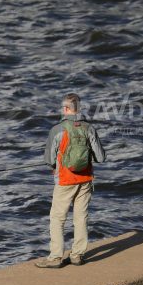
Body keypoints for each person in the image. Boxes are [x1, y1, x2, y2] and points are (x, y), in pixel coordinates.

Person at [35, 93, 106, 268]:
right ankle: (77, 255)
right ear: (78, 109)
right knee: (81, 217)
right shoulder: (89, 128)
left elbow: (49, 160)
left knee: (58, 218)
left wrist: (56, 164)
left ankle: (56, 258)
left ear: (66, 109)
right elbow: (101, 157)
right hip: (85, 180)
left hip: (65, 181)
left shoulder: (57, 130)